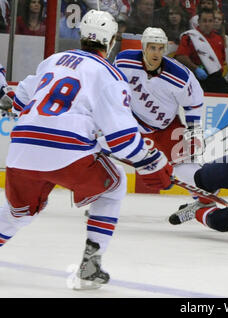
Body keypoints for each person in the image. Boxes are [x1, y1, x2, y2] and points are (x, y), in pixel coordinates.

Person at [0, 10, 173, 290]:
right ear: (112, 40)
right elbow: (123, 140)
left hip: (21, 147)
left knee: (18, 213)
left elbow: (19, 102)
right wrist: (152, 161)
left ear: (82, 37)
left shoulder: (53, 60)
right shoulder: (110, 74)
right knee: (114, 185)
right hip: (66, 151)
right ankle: (90, 266)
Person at [114, 27, 204, 192]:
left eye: (161, 48)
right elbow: (110, 89)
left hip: (166, 128)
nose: (156, 53)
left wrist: (192, 134)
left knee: (186, 168)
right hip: (132, 125)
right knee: (103, 156)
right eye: (152, 47)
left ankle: (204, 201)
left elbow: (194, 105)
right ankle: (101, 198)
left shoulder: (180, 76)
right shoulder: (124, 61)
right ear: (144, 47)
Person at [175, 8, 228, 93]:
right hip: (197, 79)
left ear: (214, 22)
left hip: (216, 80)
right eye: (204, 21)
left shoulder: (219, 39)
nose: (207, 24)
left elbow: (222, 61)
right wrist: (195, 69)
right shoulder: (190, 37)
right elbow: (180, 57)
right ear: (199, 22)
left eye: (210, 21)